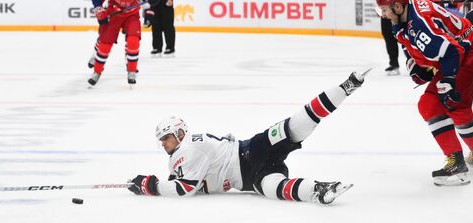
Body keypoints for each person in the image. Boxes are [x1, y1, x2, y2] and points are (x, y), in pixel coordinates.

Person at [127, 71, 368, 203]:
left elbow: (184, 189)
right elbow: (186, 180)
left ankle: (344, 88)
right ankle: (320, 189)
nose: (163, 143)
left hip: (253, 150)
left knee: (295, 126)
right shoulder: (183, 152)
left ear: (179, 133)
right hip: (249, 177)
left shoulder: (188, 148)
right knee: (275, 187)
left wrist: (151, 185)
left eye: (166, 137)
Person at [375, 0, 473, 186]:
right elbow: (406, 42)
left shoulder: (419, 23)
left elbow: (451, 51)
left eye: (384, 9)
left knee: (429, 105)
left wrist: (447, 82)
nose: (381, 14)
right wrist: (416, 66)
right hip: (463, 51)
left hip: (465, 55)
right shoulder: (402, 17)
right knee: (459, 109)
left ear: (398, 7)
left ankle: (456, 164)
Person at [88, 0, 158, 86]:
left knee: (133, 41)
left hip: (132, 14)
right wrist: (100, 11)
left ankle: (131, 71)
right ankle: (96, 72)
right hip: (114, 13)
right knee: (105, 44)